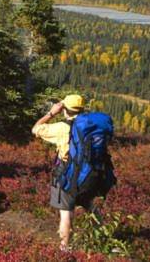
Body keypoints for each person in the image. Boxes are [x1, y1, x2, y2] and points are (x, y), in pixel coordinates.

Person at [32, 94, 100, 252]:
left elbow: (35, 129)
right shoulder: (91, 125)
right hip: (89, 174)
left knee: (66, 213)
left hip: (67, 175)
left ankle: (65, 248)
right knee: (91, 206)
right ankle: (102, 239)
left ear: (64, 109)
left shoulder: (62, 127)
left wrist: (51, 113)